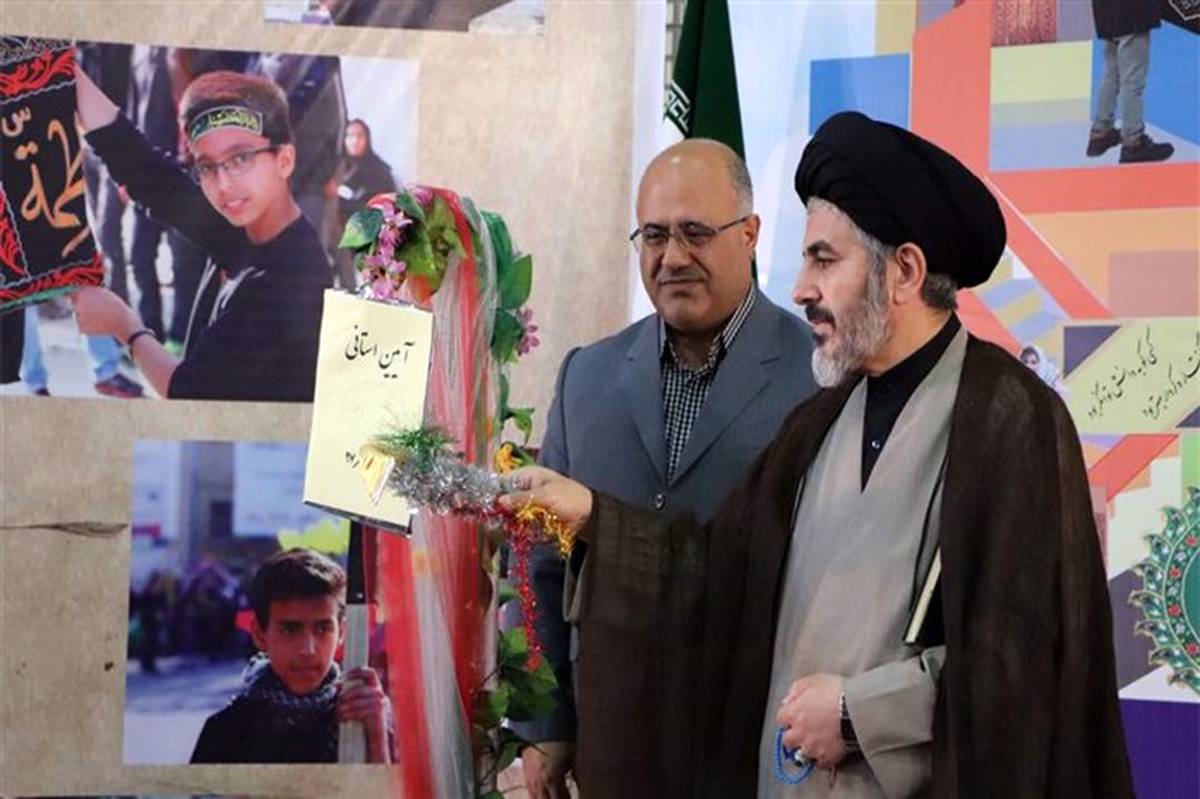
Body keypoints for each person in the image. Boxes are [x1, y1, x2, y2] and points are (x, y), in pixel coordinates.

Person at [503, 112, 1133, 797]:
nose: (801, 287)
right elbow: (719, 574)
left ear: (905, 271)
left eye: (824, 260)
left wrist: (860, 714)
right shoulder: (819, 421)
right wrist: (592, 516)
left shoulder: (1010, 420)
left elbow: (1029, 663)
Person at [507, 138, 817, 798]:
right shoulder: (587, 376)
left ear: (751, 234)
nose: (672, 257)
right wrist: (543, 721)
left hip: (760, 752)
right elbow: (541, 564)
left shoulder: (819, 374)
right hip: (615, 751)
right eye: (654, 235)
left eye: (695, 232)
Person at [70, 67, 332, 401]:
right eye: (207, 166)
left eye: (240, 159)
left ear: (284, 160)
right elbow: (147, 172)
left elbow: (189, 392)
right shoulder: (246, 227)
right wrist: (63, 69)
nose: (224, 185)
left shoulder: (287, 279)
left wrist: (124, 326)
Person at [190, 548, 391, 763]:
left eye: (323, 629)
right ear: (259, 635)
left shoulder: (360, 718)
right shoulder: (226, 732)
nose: (308, 650)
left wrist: (377, 736)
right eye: (289, 630)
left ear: (341, 633)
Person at [1086, 0, 1174, 163]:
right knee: (1132, 78)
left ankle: (1101, 132)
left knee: (1112, 73)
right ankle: (1133, 141)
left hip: (1105, 9)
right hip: (1132, 10)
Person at [330, 118, 397, 288]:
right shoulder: (334, 168)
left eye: (359, 136)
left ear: (367, 139)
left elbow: (383, 208)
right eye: (349, 135)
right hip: (336, 239)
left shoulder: (379, 171)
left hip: (368, 243)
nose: (354, 141)